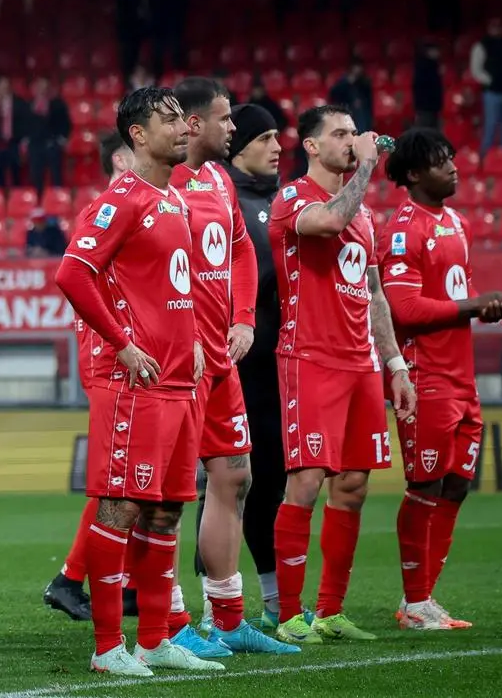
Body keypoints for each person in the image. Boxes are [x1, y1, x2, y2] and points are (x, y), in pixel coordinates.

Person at [54, 86, 225, 679]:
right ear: (137, 134)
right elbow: (73, 274)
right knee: (121, 505)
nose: (184, 128)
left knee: (166, 513)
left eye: (184, 119)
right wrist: (122, 344)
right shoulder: (121, 199)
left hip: (178, 379)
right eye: (169, 120)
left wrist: (196, 341)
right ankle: (107, 648)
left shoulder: (172, 199)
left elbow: (171, 288)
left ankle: (154, 640)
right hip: (135, 381)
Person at [267, 105, 418, 645]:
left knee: (352, 485)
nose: (352, 141)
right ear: (310, 146)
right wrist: (368, 168)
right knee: (306, 480)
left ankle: (330, 610)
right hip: (310, 357)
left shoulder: (365, 216)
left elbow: (375, 293)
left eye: (355, 133)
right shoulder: (292, 198)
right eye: (340, 134)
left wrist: (395, 364)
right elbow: (327, 221)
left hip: (361, 364)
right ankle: (287, 614)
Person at [169, 80, 297, 656]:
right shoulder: (157, 183)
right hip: (175, 359)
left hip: (220, 357)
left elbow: (242, 249)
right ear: (193, 125)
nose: (233, 128)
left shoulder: (218, 180)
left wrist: (243, 317)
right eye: (224, 119)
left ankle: (226, 619)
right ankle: (167, 624)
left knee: (234, 476)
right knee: (165, 495)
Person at [381, 128, 502, 630]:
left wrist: (484, 306)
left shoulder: (457, 221)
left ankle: (426, 599)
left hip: (463, 378)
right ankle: (414, 603)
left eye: (454, 158)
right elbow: (404, 309)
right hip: (426, 375)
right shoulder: (403, 230)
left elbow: (460, 291)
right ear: (415, 174)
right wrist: (471, 305)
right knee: (424, 484)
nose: (455, 167)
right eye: (442, 161)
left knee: (456, 486)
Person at [41, 130, 132, 623]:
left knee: (130, 476)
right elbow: (78, 278)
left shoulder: (147, 204)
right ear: (121, 157)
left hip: (128, 358)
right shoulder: (103, 211)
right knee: (113, 479)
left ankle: (118, 580)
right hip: (111, 359)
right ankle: (71, 578)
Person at [222, 104, 287, 627]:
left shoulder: (285, 200)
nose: (276, 145)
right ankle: (210, 608)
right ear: (238, 145)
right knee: (228, 480)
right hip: (238, 366)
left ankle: (274, 600)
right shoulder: (228, 201)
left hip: (282, 368)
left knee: (274, 481)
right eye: (264, 137)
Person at [469, 17, 502, 150]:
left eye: (499, 26)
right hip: (492, 93)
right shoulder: (481, 45)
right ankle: (485, 161)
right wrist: (491, 80)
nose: (497, 29)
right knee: (491, 126)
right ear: (489, 27)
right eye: (494, 26)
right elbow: (476, 69)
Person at [25, 77, 70, 194]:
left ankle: (58, 199)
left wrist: (61, 139)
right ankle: (38, 201)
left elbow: (66, 123)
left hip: (52, 144)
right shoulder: (30, 105)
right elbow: (25, 124)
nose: (42, 91)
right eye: (40, 88)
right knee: (36, 175)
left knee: (56, 175)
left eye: (45, 88)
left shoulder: (58, 104)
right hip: (35, 145)